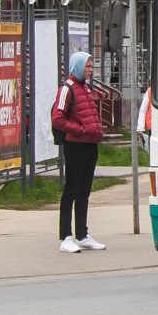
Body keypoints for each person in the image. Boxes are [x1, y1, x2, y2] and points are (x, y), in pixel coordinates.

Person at [52, 51, 106, 253]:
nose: (91, 70)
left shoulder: (86, 88)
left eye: (91, 67)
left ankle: (82, 235)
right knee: (71, 190)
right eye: (88, 67)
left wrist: (96, 131)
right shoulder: (67, 89)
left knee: (85, 191)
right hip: (75, 146)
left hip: (90, 145)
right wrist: (81, 130)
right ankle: (66, 236)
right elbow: (58, 118)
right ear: (78, 67)